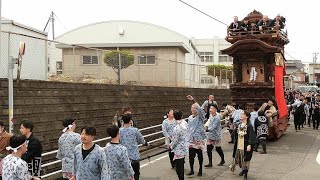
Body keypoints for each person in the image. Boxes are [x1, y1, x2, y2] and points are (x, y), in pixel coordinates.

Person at [120, 114, 149, 180]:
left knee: (127, 175)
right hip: (134, 157)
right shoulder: (135, 130)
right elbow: (141, 140)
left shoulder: (119, 131)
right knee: (136, 173)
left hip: (125, 158)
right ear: (130, 121)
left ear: (123, 121)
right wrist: (146, 143)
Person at [230, 111, 257, 179]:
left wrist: (250, 144)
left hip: (245, 145)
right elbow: (235, 134)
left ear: (247, 116)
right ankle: (243, 170)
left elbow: (251, 135)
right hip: (239, 145)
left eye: (243, 114)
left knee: (246, 159)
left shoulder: (249, 126)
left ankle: (245, 174)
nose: (241, 115)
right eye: (241, 114)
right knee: (239, 159)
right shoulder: (239, 125)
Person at [186, 95, 206, 176]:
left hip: (198, 139)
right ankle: (191, 170)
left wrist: (193, 100)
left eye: (194, 108)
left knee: (199, 156)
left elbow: (201, 110)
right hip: (191, 139)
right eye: (192, 108)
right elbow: (188, 128)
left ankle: (200, 169)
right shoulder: (190, 117)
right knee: (191, 157)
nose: (193, 109)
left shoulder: (200, 117)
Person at [170, 110, 188, 180]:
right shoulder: (185, 123)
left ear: (174, 117)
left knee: (179, 169)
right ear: (182, 116)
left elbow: (175, 141)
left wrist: (171, 146)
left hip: (179, 150)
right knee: (181, 167)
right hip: (185, 147)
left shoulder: (177, 128)